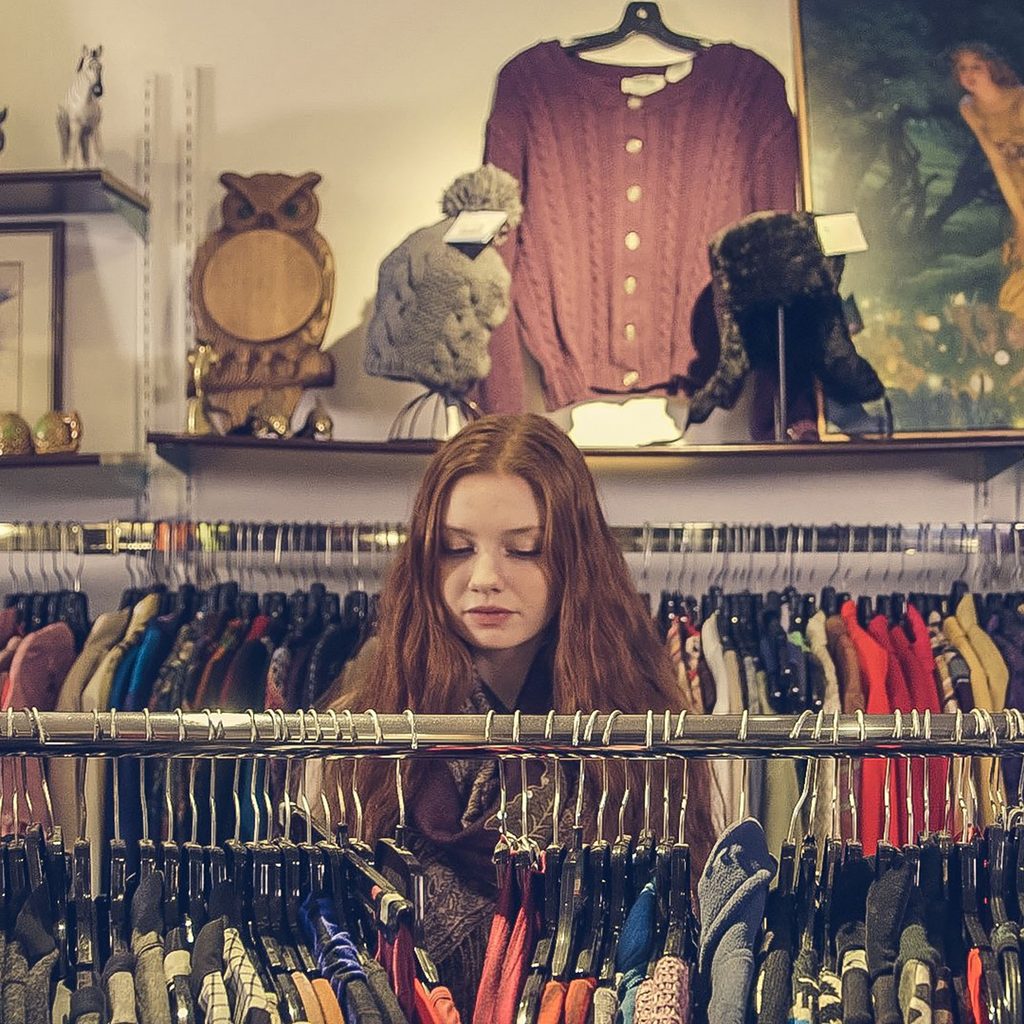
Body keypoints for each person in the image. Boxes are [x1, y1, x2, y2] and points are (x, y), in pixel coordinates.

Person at [321, 413, 713, 1017]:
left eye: (523, 550)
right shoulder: (366, 734)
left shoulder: (641, 737)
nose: (484, 579)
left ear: (572, 560)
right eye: (456, 549)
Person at [953, 42, 1024, 320]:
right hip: (1016, 189)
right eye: (962, 68)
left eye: (976, 67)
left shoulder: (1019, 99)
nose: (969, 74)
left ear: (991, 67)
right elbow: (997, 162)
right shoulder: (969, 107)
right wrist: (1019, 214)